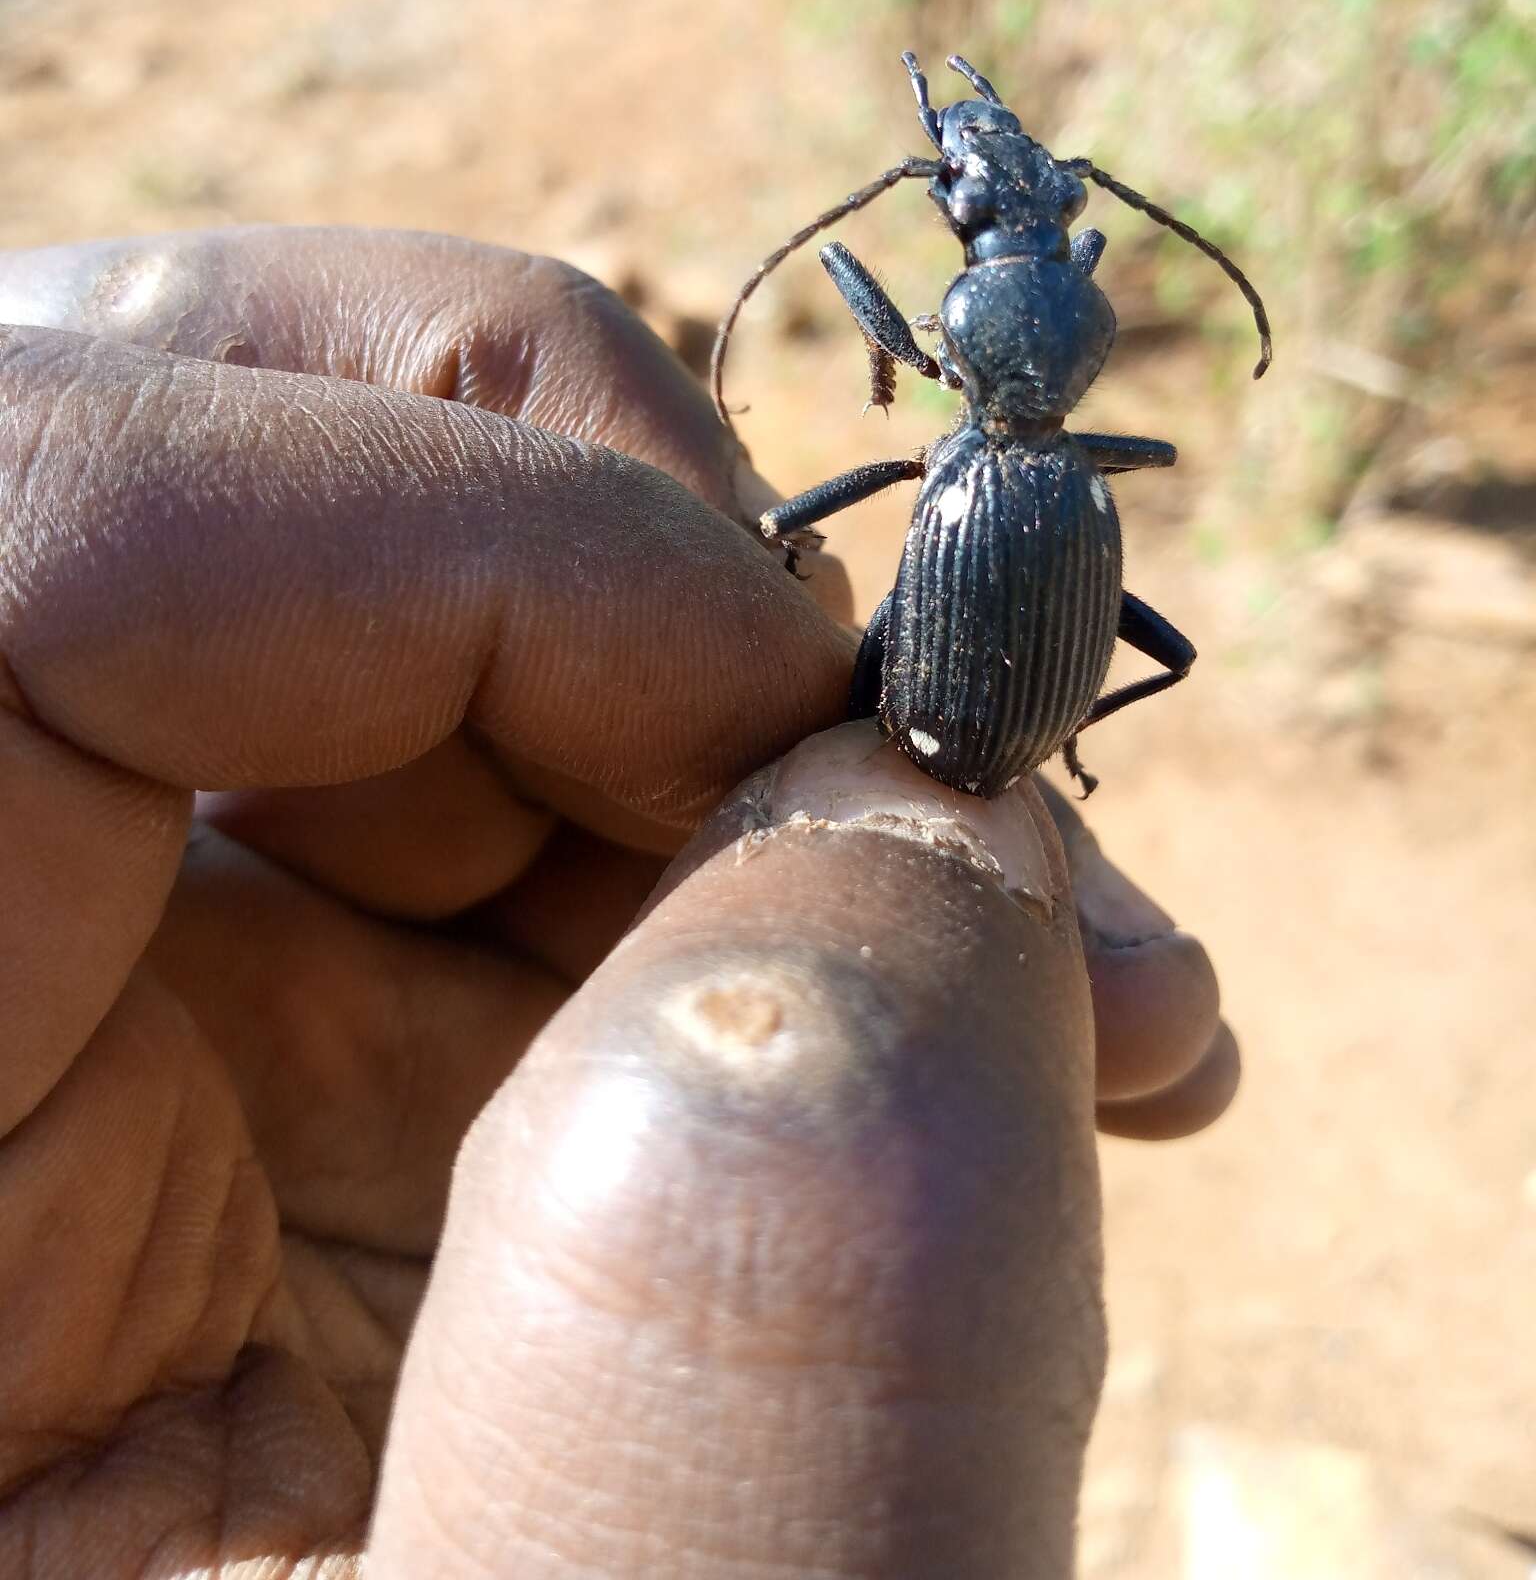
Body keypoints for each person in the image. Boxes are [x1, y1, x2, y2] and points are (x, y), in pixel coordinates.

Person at [0, 229, 1236, 1578]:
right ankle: (1040, 742)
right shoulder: (1083, 466)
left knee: (831, 691)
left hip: (939, 705)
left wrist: (783, 533)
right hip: (1012, 670)